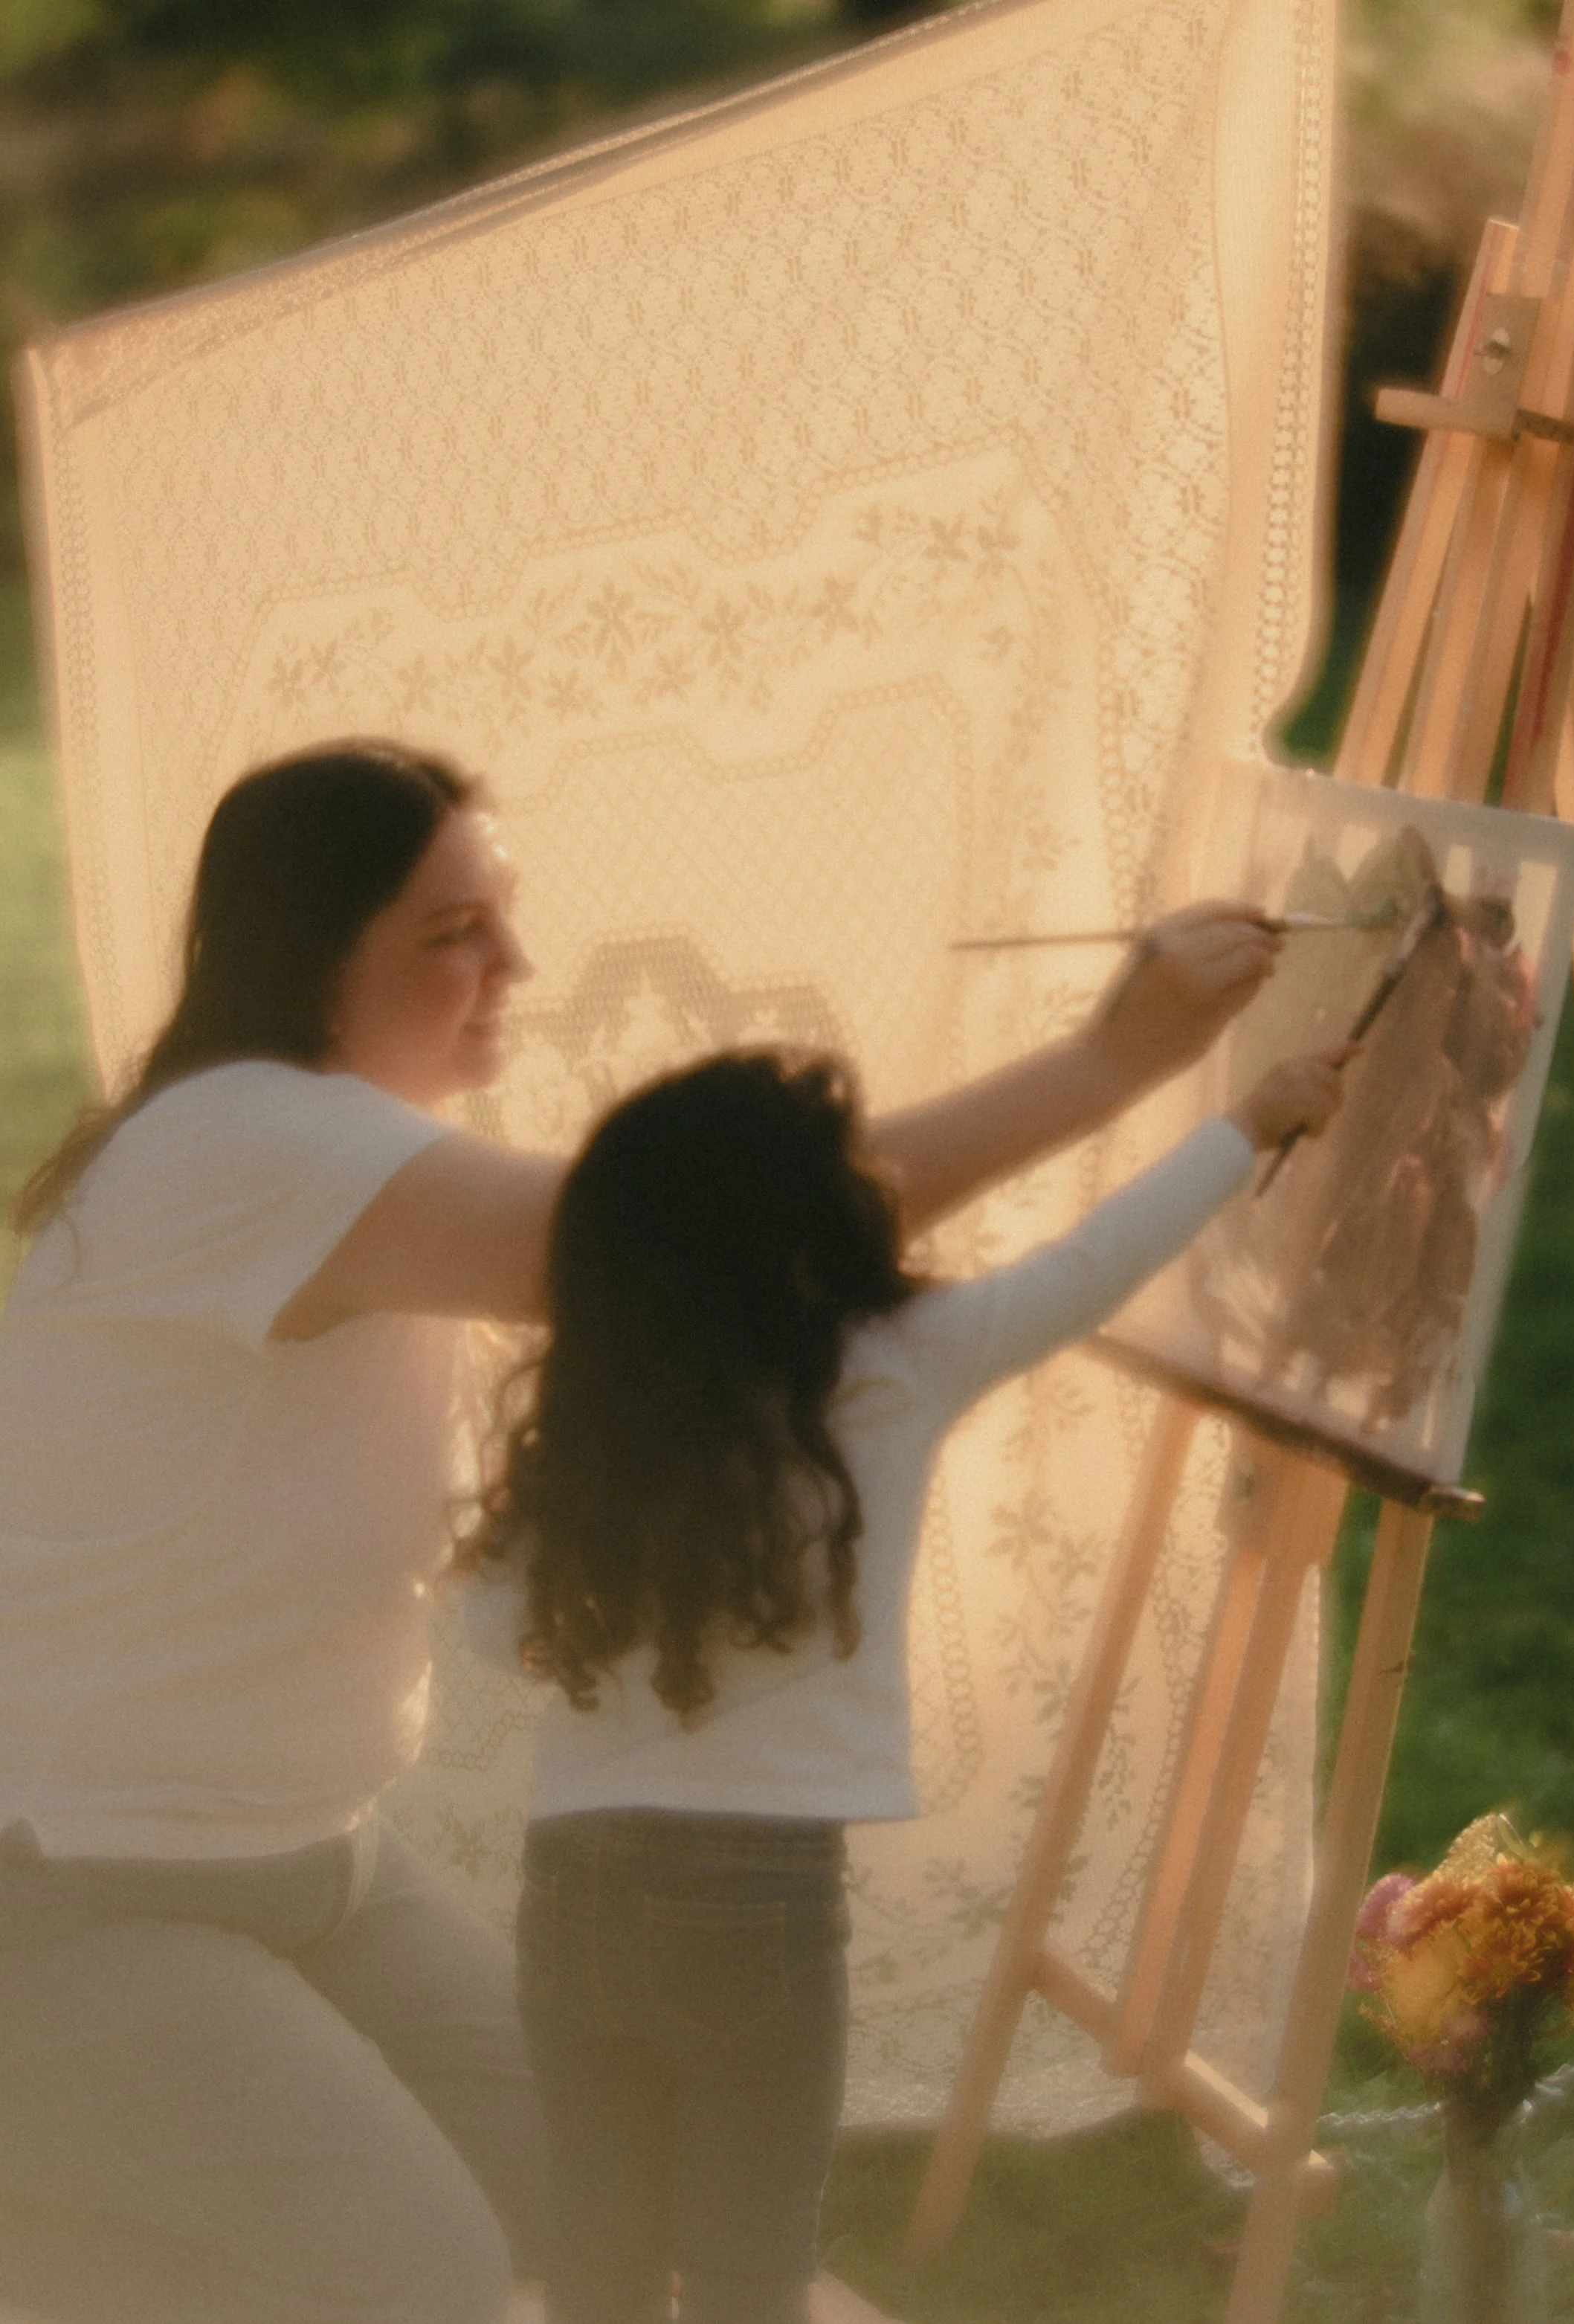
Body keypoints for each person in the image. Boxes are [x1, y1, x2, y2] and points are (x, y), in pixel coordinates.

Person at [0, 736, 1285, 2324]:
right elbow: (707, 1248)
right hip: (70, 1893)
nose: (510, 966)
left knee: (613, 2212)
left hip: (311, 1859)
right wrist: (1108, 1065)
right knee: (416, 2276)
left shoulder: (327, 1151)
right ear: (307, 949)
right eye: (447, 934)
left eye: (501, 915)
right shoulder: (250, 1144)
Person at [463, 1039, 1352, 2324]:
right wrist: (1250, 1125)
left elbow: (497, 1632)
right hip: (758, 1906)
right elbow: (1091, 1267)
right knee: (748, 2277)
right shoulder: (891, 1363)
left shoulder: (595, 1405)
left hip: (576, 1889)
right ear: (813, 1220)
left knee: (595, 2258)